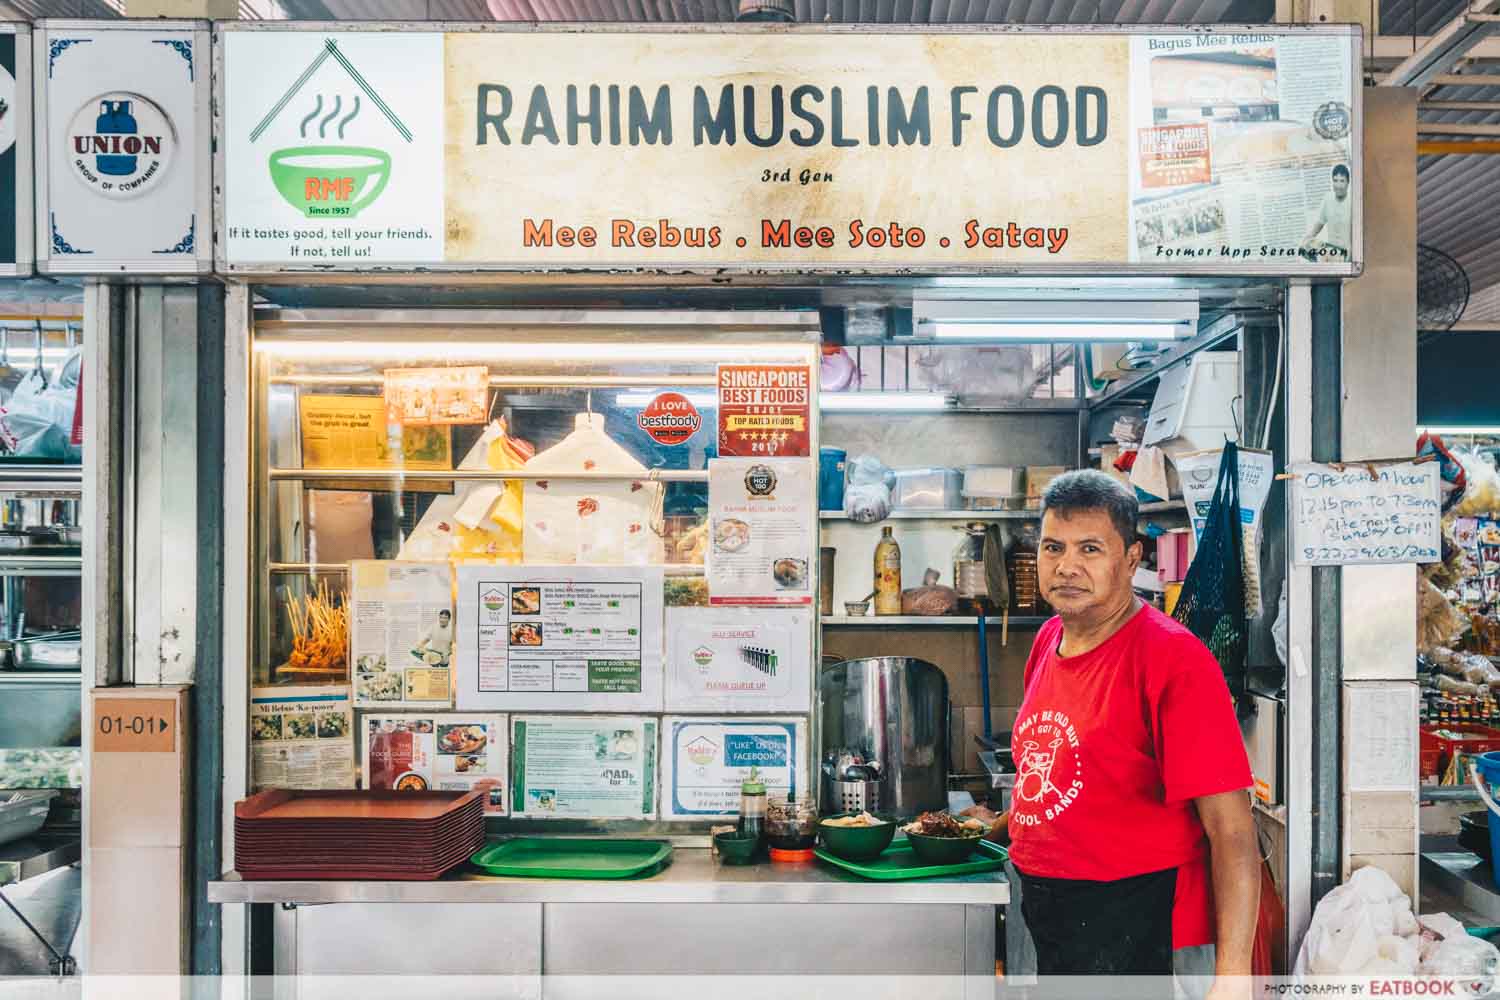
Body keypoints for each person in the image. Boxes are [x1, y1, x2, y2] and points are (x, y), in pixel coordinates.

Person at [993, 470, 1258, 998]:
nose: (1067, 567)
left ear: (1132, 558)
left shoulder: (1173, 661)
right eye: (1053, 547)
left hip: (1144, 925)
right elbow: (1066, 775)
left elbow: (1232, 831)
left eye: (1090, 548)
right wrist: (998, 823)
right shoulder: (1050, 639)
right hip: (1054, 915)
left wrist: (1233, 977)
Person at [1302, 163, 1351, 258]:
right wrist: (1310, 236)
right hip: (1331, 252)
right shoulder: (1327, 198)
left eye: (1342, 181)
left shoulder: (1353, 202)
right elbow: (1320, 222)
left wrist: (1352, 252)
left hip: (1347, 254)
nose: (1338, 185)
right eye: (1335, 180)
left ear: (1348, 182)